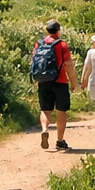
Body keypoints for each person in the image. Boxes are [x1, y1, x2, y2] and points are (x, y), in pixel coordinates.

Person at [31, 20, 73, 150]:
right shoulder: (62, 45)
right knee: (61, 111)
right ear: (58, 30)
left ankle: (45, 130)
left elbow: (33, 61)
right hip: (60, 81)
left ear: (47, 31)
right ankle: (60, 141)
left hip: (43, 81)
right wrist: (74, 82)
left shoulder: (39, 44)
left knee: (45, 109)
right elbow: (69, 66)